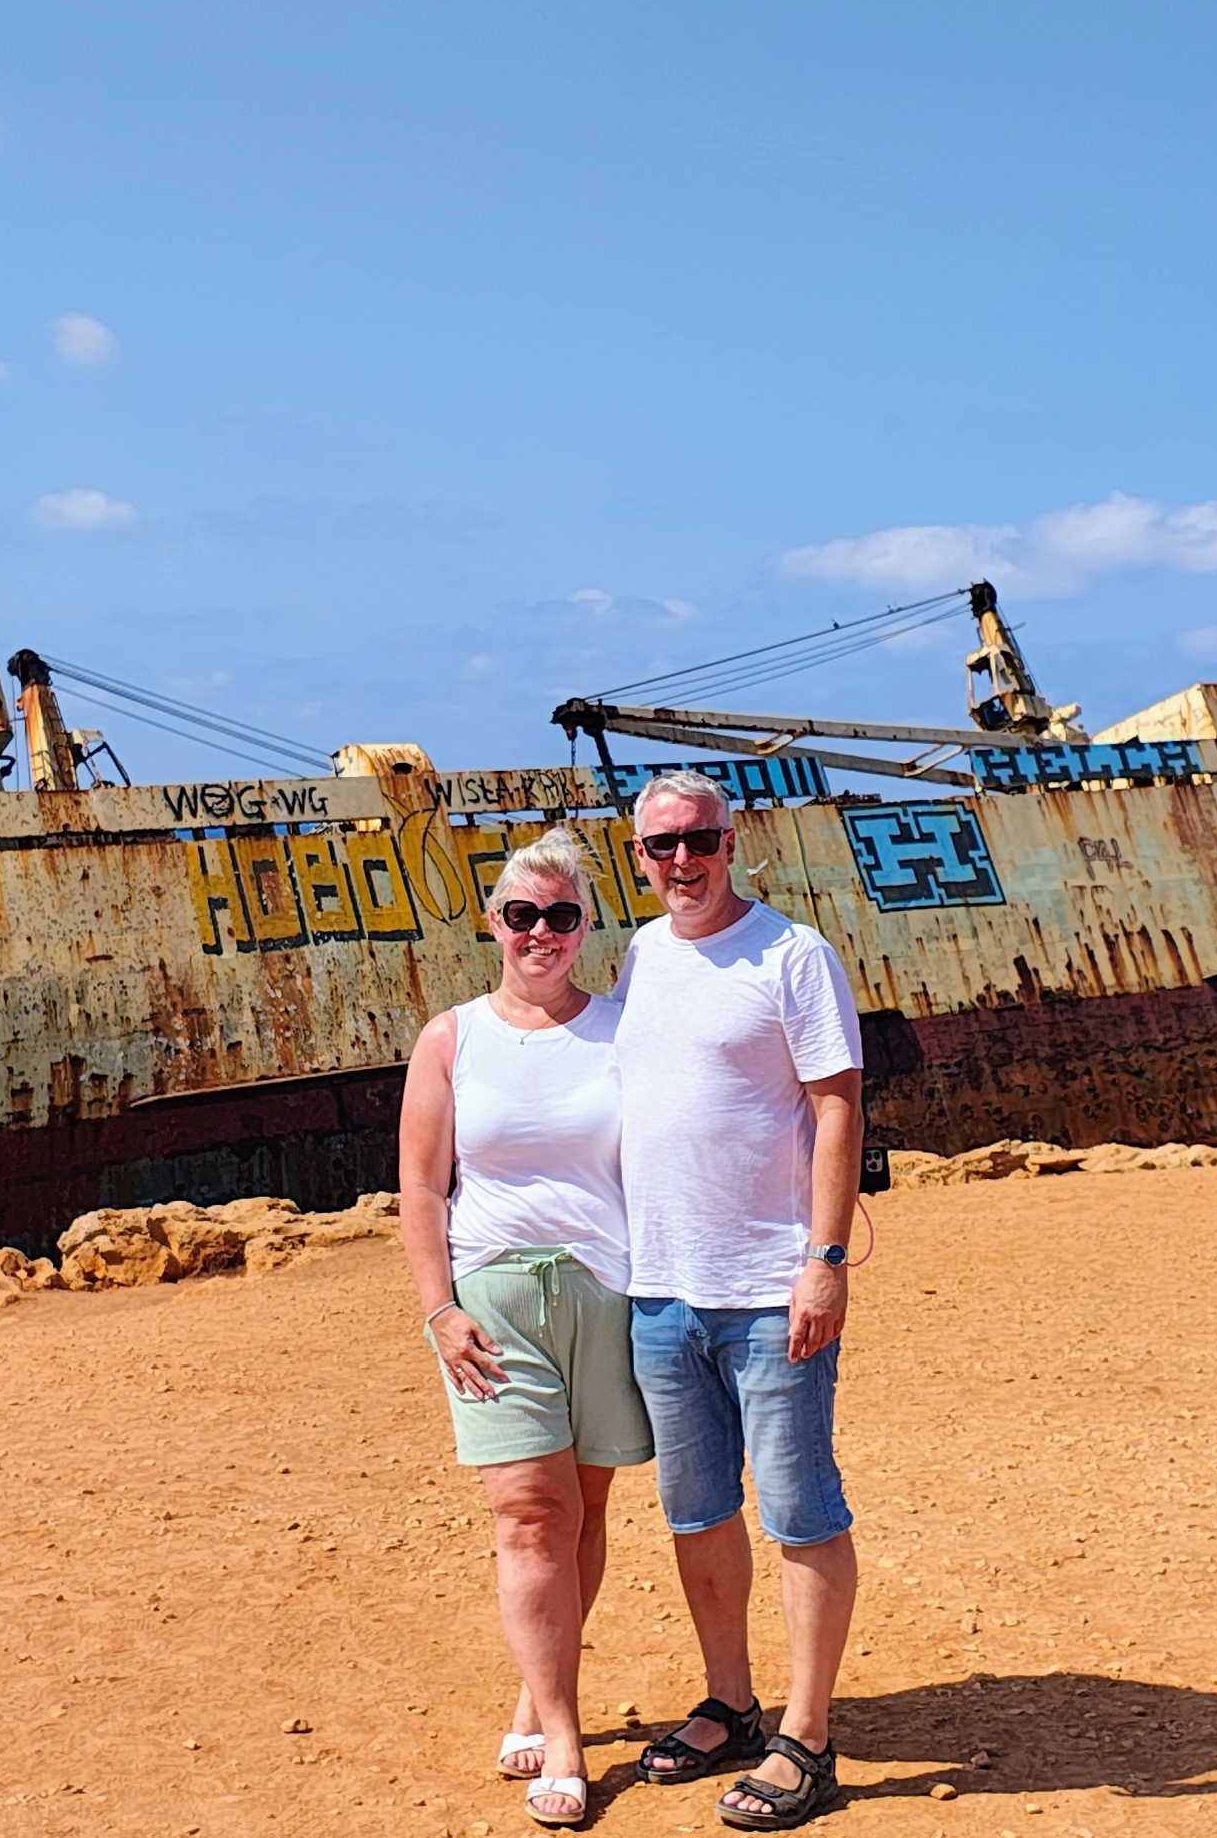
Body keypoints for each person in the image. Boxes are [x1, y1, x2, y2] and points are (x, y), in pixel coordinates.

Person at [608, 769, 865, 1831]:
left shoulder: (790, 955)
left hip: (768, 1290)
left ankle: (808, 1738)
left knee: (800, 1510)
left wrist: (825, 1257)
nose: (682, 862)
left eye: (698, 841)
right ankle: (731, 1701)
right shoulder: (636, 955)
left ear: (731, 838)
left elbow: (837, 1106)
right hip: (661, 1291)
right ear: (638, 856)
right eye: (661, 846)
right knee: (698, 1511)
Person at [398, 824, 652, 1830]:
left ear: (585, 925)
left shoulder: (622, 1029)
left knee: (583, 1515)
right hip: (495, 1296)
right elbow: (421, 1186)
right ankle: (562, 1731)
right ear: (492, 925)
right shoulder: (452, 1037)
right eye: (520, 916)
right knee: (528, 1514)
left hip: (607, 1288)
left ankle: (530, 1694)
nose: (539, 932)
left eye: (560, 915)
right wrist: (437, 1308)